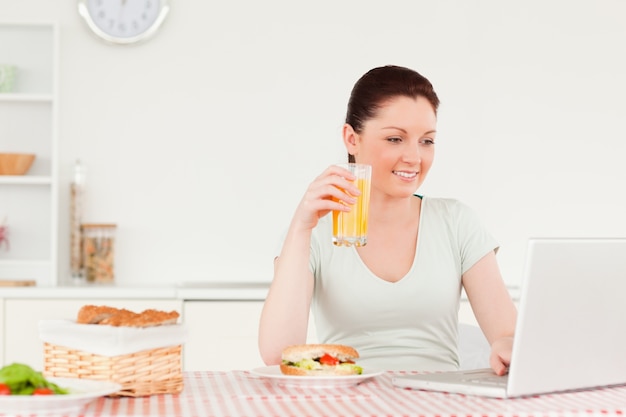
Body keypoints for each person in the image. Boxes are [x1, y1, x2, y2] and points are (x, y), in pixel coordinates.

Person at [258, 65, 517, 374]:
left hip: (440, 402)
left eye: (427, 141)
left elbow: (508, 335)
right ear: (351, 139)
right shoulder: (313, 233)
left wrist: (506, 345)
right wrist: (301, 226)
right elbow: (279, 354)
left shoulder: (456, 222)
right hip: (349, 403)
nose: (414, 157)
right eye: (395, 139)